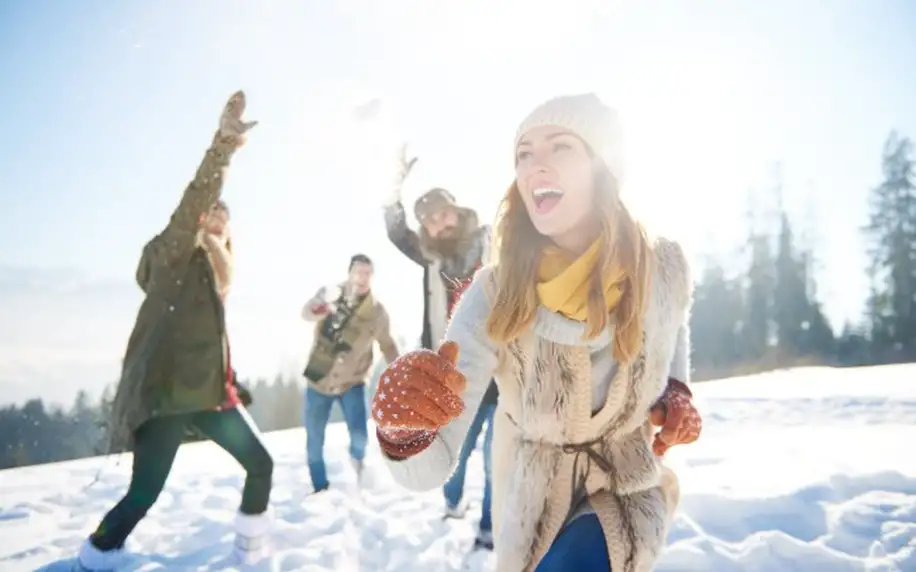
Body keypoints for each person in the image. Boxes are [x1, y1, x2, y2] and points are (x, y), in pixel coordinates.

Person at [371, 93, 703, 572]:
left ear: (602, 164)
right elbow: (427, 465)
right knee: (480, 454)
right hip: (514, 449)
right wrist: (404, 429)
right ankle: (473, 512)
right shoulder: (488, 285)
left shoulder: (663, 265)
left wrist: (675, 388)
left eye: (560, 147)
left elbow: (675, 318)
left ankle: (487, 520)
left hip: (629, 483)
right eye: (524, 155)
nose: (534, 167)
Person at [77, 91, 274, 571]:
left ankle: (249, 553)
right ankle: (96, 553)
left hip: (207, 395)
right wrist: (222, 147)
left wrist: (231, 380)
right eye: (210, 217)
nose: (214, 222)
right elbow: (192, 207)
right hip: (164, 397)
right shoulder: (176, 256)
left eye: (223, 221)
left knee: (262, 465)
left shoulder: (214, 282)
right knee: (143, 495)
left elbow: (204, 342)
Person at [382, 154, 498, 549]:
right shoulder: (431, 257)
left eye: (443, 214)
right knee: (457, 449)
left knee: (497, 459)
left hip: (503, 369)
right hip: (454, 373)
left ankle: (489, 528)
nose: (439, 224)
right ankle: (453, 501)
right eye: (429, 221)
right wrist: (392, 186)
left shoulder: (492, 240)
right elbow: (396, 232)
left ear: (457, 211)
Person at [301, 253, 399, 493]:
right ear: (349, 273)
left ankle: (357, 462)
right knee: (314, 441)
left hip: (352, 382)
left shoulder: (376, 312)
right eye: (358, 272)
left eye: (367, 273)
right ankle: (320, 488)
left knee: (359, 437)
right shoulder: (330, 294)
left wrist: (400, 371)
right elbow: (306, 313)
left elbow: (387, 344)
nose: (362, 278)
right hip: (319, 379)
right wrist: (321, 307)